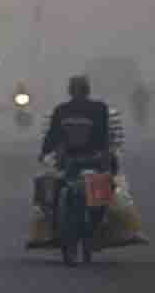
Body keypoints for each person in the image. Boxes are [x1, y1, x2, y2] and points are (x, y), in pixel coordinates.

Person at [40, 75, 121, 260]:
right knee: (102, 196)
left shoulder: (62, 110)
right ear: (88, 89)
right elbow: (106, 137)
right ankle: (88, 234)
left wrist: (44, 152)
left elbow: (52, 137)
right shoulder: (99, 108)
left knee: (57, 192)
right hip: (88, 161)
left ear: (70, 90)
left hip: (75, 162)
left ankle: (69, 231)